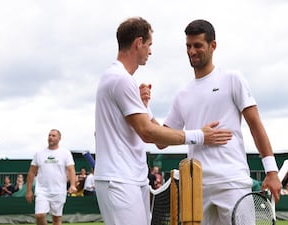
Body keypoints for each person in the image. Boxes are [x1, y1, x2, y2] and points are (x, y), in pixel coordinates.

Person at [94, 17, 232, 225]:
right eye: (149, 45)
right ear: (138, 43)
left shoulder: (121, 79)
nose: (150, 51)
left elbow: (155, 136)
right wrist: (200, 136)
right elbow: (148, 133)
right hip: (119, 180)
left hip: (130, 179)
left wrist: (144, 105)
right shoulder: (120, 79)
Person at [158, 19, 281, 225]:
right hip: (196, 187)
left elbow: (255, 124)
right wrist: (143, 107)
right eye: (188, 46)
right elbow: (161, 140)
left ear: (212, 46)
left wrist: (272, 171)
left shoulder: (232, 78)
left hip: (232, 182)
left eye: (198, 45)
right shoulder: (182, 95)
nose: (192, 51)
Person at [26, 129, 77, 225]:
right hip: (42, 191)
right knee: (39, 215)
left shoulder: (65, 153)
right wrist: (29, 190)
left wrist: (73, 185)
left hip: (59, 190)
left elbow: (71, 170)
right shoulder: (39, 153)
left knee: (56, 219)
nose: (50, 137)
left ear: (59, 138)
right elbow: (32, 172)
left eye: (53, 136)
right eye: (49, 135)